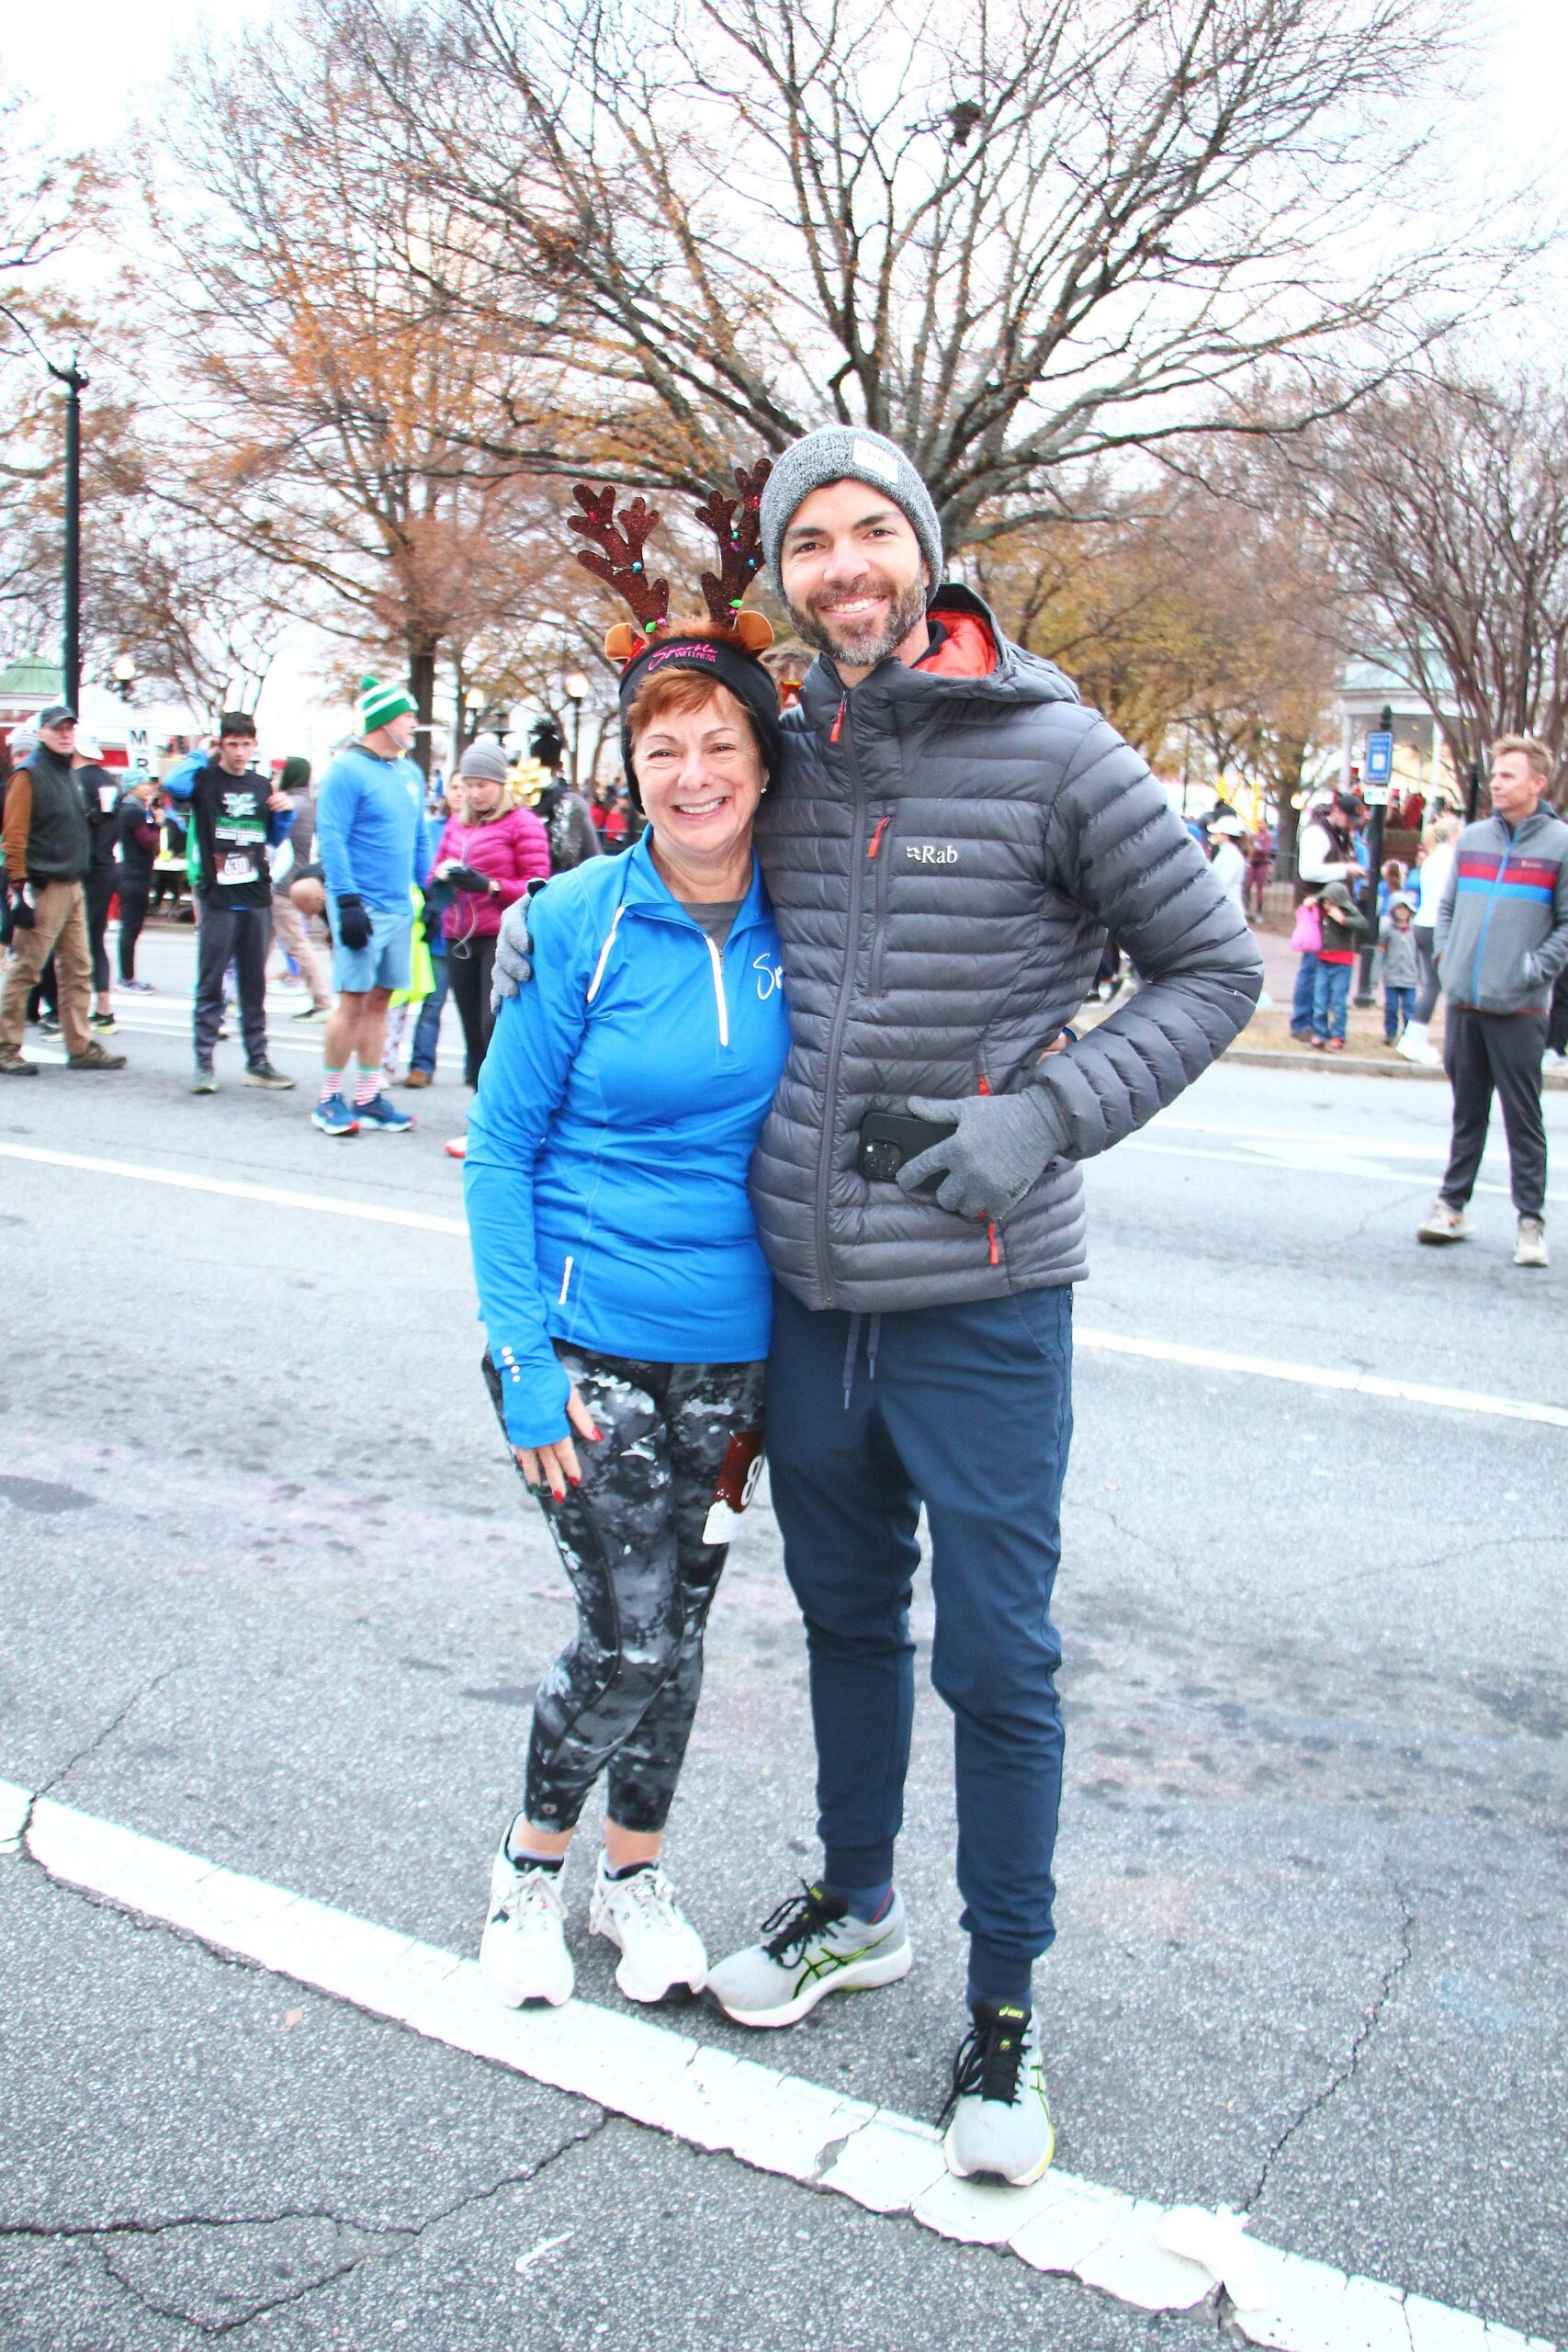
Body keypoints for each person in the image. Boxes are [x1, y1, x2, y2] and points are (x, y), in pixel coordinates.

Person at [497, 429, 1261, 2182]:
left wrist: (1043, 1116)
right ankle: (857, 1905)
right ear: (784, 576)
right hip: (808, 1302)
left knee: (1002, 1661)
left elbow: (1216, 967)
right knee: (849, 1625)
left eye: (868, 535)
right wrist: (552, 900)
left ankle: (1005, 2017)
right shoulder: (799, 745)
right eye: (809, 545)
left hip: (984, 1299)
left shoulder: (1057, 748)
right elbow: (684, 855)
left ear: (924, 549)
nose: (841, 567)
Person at [467, 526, 789, 2015]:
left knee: (690, 1624)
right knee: (628, 1626)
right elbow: (499, 1152)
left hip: (739, 1369)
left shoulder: (811, 922)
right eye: (662, 748)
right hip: (586, 1345)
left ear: (760, 760)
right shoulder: (574, 924)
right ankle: (530, 1878)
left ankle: (634, 1878)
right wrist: (525, 1369)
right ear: (631, 770)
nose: (690, 773)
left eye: (716, 741)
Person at [1416, 736, 1568, 1267]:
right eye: (1496, 775)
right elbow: (1449, 907)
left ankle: (1531, 1223)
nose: (1497, 784)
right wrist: (1446, 960)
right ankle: (1451, 1207)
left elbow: (1567, 926)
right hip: (1465, 1004)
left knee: (1523, 1119)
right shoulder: (1475, 838)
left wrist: (1533, 970)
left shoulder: (1560, 846)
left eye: (1508, 776)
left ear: (1537, 783)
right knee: (1467, 1113)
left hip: (1520, 1010)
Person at [310, 676, 426, 1136]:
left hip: (400, 907)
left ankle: (368, 1095)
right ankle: (328, 1100)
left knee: (381, 1002)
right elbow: (332, 839)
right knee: (353, 1002)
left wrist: (426, 889)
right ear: (384, 720)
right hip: (361, 905)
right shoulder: (346, 771)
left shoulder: (408, 772)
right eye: (408, 716)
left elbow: (418, 837)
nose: (415, 724)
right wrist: (346, 901)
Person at [0, 706, 127, 1076]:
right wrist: (19, 887)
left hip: (71, 883)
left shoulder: (65, 773)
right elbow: (16, 836)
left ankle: (80, 1044)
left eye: (69, 727)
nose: (65, 733)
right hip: (45, 884)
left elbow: (61, 825)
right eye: (57, 728)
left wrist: (92, 820)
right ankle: (6, 1045)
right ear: (41, 733)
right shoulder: (29, 775)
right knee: (27, 967)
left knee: (78, 968)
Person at [427, 738, 549, 1093]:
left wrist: (490, 886)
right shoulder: (457, 823)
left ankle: (502, 1104)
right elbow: (433, 870)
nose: (474, 793)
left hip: (500, 935)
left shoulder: (521, 823)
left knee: (493, 1024)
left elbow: (538, 887)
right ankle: (479, 1106)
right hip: (458, 933)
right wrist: (440, 880)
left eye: (482, 785)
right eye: (468, 785)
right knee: (470, 1030)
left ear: (500, 784)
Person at [186, 713, 297, 1094]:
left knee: (254, 985)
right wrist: (198, 755)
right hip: (218, 896)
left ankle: (258, 1060)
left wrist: (284, 810)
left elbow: (274, 837)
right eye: (231, 743)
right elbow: (172, 785)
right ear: (221, 744)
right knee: (211, 982)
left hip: (255, 896)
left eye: (245, 744)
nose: (238, 752)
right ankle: (204, 1062)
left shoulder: (260, 784)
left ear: (254, 745)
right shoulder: (205, 781)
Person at [267, 756, 333, 1020]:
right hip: (297, 877)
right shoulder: (309, 803)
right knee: (265, 941)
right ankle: (241, 993)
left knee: (296, 943)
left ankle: (322, 999)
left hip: (283, 882)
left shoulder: (290, 804)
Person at [1292, 791, 1362, 1038]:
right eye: (1350, 819)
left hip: (1326, 910)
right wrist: (1345, 869)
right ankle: (1302, 1022)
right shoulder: (1317, 834)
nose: (1352, 825)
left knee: (1317, 967)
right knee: (1312, 967)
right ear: (1338, 812)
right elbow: (1308, 871)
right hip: (1315, 910)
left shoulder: (1337, 835)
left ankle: (1311, 1022)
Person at [1398, 813, 1460, 1068]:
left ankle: (1414, 1037)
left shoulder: (1433, 859)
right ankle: (1414, 1038)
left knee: (1431, 984)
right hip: (1438, 925)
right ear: (1454, 835)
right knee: (1434, 986)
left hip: (1424, 922)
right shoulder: (1451, 860)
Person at [74, 732, 122, 1034]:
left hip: (82, 867)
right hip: (107, 864)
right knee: (96, 938)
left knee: (73, 940)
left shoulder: (74, 782)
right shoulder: (110, 782)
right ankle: (103, 1005)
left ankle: (65, 1008)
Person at [527, 719, 601, 871]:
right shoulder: (573, 803)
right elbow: (593, 856)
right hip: (565, 885)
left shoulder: (518, 802)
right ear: (559, 766)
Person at [114, 773, 161, 989]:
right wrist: (157, 823)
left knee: (132, 928)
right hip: (133, 874)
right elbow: (148, 841)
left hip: (136, 873)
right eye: (143, 783)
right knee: (130, 928)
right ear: (132, 786)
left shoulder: (137, 809)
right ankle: (126, 976)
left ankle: (127, 975)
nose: (148, 787)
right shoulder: (133, 810)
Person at [1308, 877, 1367, 1050]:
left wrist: (1343, 920)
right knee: (1319, 1000)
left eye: (1330, 901)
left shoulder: (1349, 911)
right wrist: (1312, 901)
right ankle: (1319, 1033)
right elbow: (1310, 905)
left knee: (1338, 1001)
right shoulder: (1321, 911)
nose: (1327, 904)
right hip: (1323, 961)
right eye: (1325, 900)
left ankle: (1338, 1035)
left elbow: (1362, 925)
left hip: (1343, 963)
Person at [1380, 893, 1419, 1044]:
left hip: (1410, 977)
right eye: (1399, 909)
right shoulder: (1387, 931)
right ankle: (1390, 1033)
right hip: (1392, 976)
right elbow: (1381, 952)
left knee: (1409, 1008)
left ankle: (1409, 1034)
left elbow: (1419, 955)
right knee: (1391, 1007)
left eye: (1405, 909)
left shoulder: (1415, 931)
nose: (1402, 912)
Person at [1208, 812, 1247, 921]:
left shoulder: (1231, 855)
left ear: (1225, 835)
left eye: (1217, 832)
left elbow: (1221, 883)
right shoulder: (1226, 853)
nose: (1213, 835)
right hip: (1225, 910)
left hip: (1229, 911)